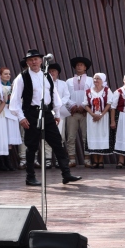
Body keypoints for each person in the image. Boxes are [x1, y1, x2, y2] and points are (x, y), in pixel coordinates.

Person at [9, 49, 81, 186]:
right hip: (31, 113)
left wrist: (57, 113)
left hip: (47, 114)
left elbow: (54, 96)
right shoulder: (22, 77)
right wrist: (21, 117)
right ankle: (30, 177)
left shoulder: (47, 76)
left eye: (36, 59)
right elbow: (15, 100)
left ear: (41, 61)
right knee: (32, 146)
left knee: (58, 143)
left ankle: (66, 174)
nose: (34, 61)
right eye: (31, 60)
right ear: (27, 62)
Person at [65, 56, 92, 167]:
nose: (79, 66)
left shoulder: (91, 80)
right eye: (77, 65)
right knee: (71, 136)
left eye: (81, 65)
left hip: (86, 112)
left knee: (86, 136)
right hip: (72, 112)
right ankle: (71, 158)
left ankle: (87, 158)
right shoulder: (69, 81)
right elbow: (65, 96)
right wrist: (73, 106)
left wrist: (84, 106)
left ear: (85, 67)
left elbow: (93, 95)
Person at [83, 72, 114, 168]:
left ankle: (101, 160)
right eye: (95, 78)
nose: (96, 80)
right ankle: (95, 160)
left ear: (103, 80)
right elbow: (85, 104)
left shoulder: (107, 90)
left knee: (102, 136)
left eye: (98, 79)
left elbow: (109, 104)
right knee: (93, 136)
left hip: (103, 117)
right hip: (91, 117)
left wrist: (101, 114)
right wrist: (93, 114)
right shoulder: (88, 91)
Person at [43, 63, 70, 169]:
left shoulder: (63, 84)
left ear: (57, 73)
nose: (52, 73)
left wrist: (57, 105)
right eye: (50, 71)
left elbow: (67, 95)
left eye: (54, 71)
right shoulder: (43, 83)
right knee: (46, 137)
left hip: (59, 113)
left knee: (60, 137)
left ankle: (60, 159)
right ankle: (48, 159)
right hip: (48, 112)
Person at [0, 67, 21, 171]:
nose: (8, 76)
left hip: (11, 112)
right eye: (5, 74)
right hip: (3, 111)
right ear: (0, 75)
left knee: (10, 138)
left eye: (9, 74)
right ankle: (3, 162)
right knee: (4, 136)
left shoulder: (12, 86)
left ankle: (8, 162)